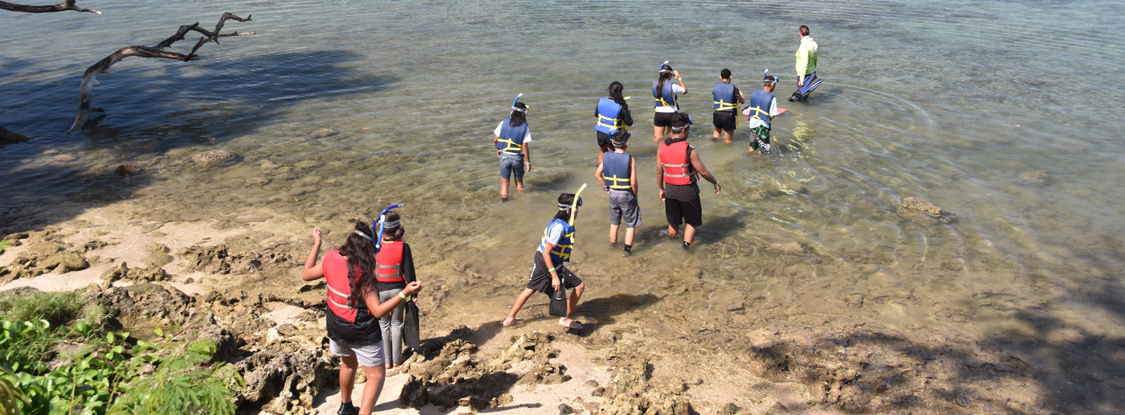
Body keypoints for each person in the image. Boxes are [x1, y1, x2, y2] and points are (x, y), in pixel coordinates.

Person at [302, 221, 423, 415]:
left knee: (348, 364)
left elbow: (306, 274)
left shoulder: (330, 257)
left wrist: (317, 243)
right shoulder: (364, 276)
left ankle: (345, 406)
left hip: (335, 325)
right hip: (360, 329)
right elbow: (377, 311)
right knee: (376, 375)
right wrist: (405, 293)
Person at [502, 193, 587, 330]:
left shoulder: (560, 221)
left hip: (542, 258)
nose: (577, 213)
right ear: (568, 211)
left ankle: (509, 319)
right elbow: (547, 252)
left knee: (531, 288)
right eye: (576, 210)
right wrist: (554, 276)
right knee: (579, 286)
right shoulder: (559, 228)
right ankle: (564, 319)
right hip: (547, 261)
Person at [656, 112, 721, 250]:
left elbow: (659, 171)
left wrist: (661, 189)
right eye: (689, 130)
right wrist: (715, 183)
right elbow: (703, 172)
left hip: (670, 190)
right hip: (688, 191)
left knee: (673, 221)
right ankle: (686, 248)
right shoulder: (689, 150)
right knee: (691, 221)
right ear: (684, 131)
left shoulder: (661, 147)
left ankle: (671, 243)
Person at [372, 211, 417, 372]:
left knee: (383, 324)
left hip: (379, 292)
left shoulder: (374, 246)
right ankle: (397, 360)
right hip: (399, 292)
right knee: (397, 324)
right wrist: (414, 294)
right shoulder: (403, 247)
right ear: (398, 227)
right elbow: (409, 272)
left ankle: (386, 361)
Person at [594, 130, 641, 254]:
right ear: (627, 144)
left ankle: (613, 247)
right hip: (626, 193)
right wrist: (635, 195)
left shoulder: (607, 156)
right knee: (630, 224)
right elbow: (634, 182)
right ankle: (627, 250)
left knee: (614, 222)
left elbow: (598, 174)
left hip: (613, 193)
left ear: (613, 142)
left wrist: (606, 188)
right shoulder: (630, 159)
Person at [493, 101, 532, 200]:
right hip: (517, 158)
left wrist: (498, 149)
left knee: (504, 183)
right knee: (519, 182)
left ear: (513, 111)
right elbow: (524, 146)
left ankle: (505, 204)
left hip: (504, 156)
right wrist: (528, 162)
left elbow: (496, 139)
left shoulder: (503, 122)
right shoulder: (525, 127)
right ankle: (520, 203)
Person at [743, 74, 784, 154]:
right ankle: (759, 165)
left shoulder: (755, 93)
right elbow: (772, 115)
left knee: (752, 147)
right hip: (763, 127)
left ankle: (745, 156)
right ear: (772, 85)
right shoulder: (772, 98)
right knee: (763, 151)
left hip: (752, 124)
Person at [594, 81, 633, 164]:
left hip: (600, 133)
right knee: (614, 155)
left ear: (609, 91)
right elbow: (629, 122)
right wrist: (627, 113)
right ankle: (612, 173)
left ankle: (599, 169)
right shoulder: (621, 106)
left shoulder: (601, 101)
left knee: (603, 151)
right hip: (613, 135)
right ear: (620, 92)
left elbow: (596, 114)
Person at [652, 63, 687, 142]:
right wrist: (679, 78)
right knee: (671, 136)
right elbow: (685, 90)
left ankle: (654, 152)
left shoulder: (655, 84)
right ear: (671, 75)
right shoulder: (673, 86)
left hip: (658, 113)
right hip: (671, 113)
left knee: (657, 137)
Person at [711, 68, 745, 144]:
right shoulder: (734, 89)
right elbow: (742, 101)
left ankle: (713, 144)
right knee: (728, 140)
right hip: (728, 115)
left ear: (720, 77)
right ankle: (726, 154)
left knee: (716, 132)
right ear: (731, 76)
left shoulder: (715, 88)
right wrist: (741, 93)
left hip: (717, 113)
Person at [791, 25, 821, 102]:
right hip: (811, 71)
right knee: (805, 94)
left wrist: (801, 79)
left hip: (803, 73)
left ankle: (799, 112)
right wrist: (814, 70)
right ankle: (805, 111)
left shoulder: (804, 45)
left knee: (800, 95)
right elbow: (815, 58)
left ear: (799, 33)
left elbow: (804, 62)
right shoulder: (813, 43)